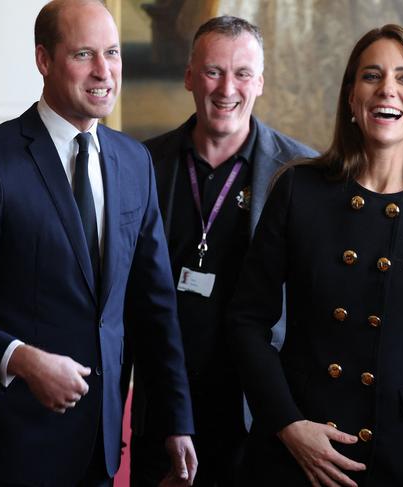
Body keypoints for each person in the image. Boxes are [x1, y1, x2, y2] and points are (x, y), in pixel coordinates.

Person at [0, 1, 196, 485]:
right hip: (11, 449)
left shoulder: (135, 162)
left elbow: (155, 308)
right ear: (44, 60)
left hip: (101, 451)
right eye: (84, 54)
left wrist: (177, 423)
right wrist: (20, 358)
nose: (104, 71)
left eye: (112, 52)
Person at [228, 24, 403, 487]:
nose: (387, 89)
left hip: (396, 455)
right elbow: (247, 321)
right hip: (291, 449)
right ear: (351, 98)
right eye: (372, 75)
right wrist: (287, 424)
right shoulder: (298, 190)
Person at [129, 15, 317, 487]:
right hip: (165, 414)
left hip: (261, 421)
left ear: (261, 83)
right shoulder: (140, 165)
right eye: (213, 71)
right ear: (190, 76)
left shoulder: (302, 176)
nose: (226, 87)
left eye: (242, 73)